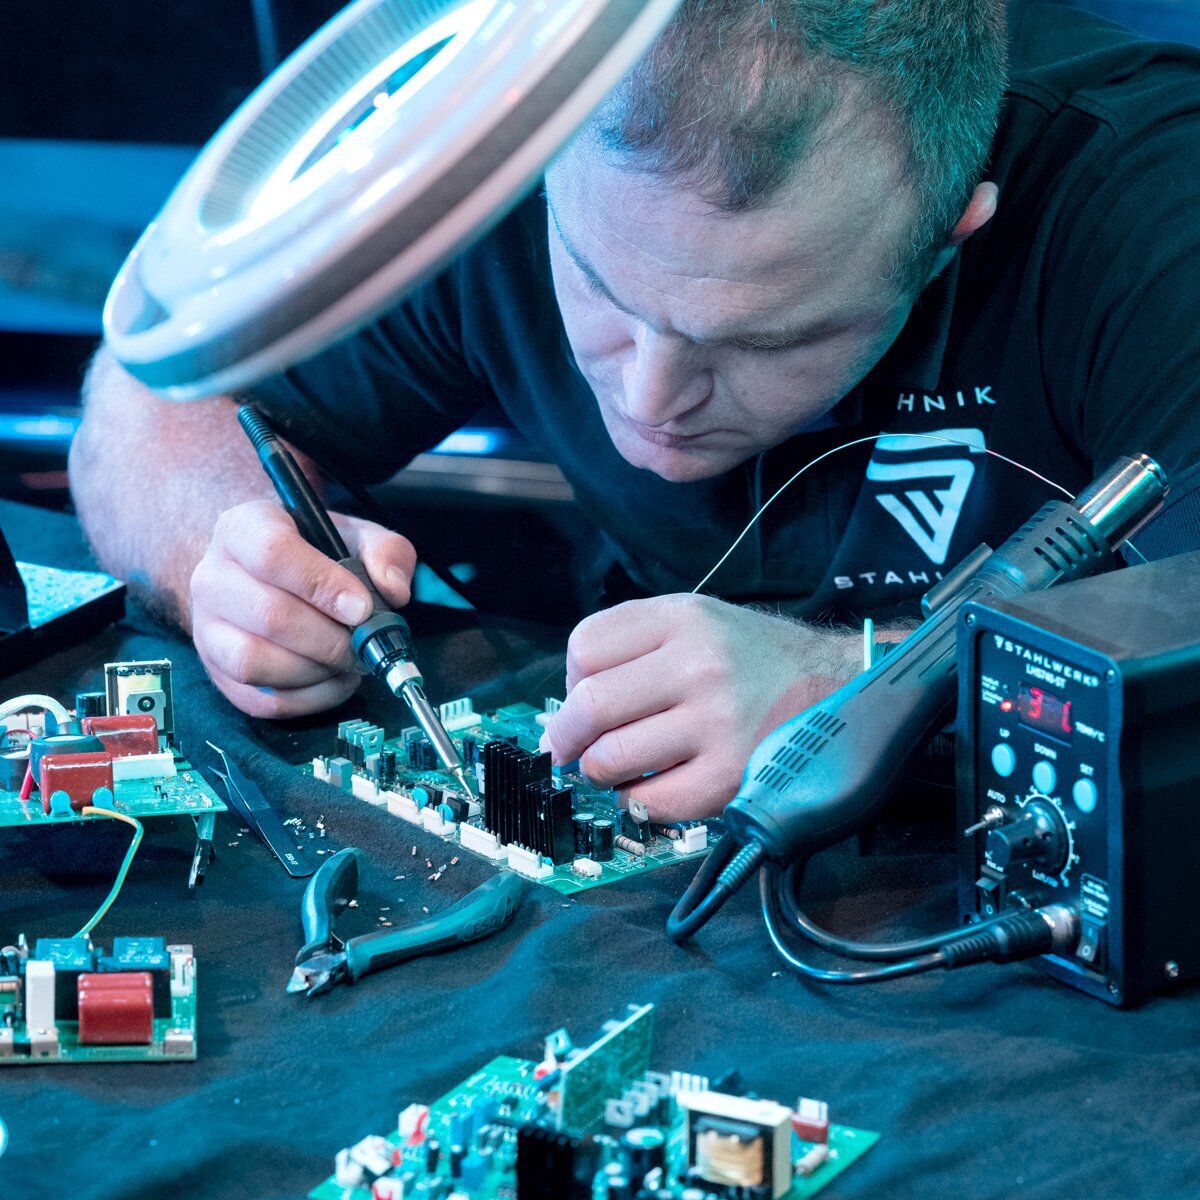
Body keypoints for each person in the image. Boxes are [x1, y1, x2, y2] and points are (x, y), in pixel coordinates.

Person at [70, 0, 1200, 821]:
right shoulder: (497, 154)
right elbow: (151, 400)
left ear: (953, 232)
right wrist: (226, 550)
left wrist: (852, 683)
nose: (651, 398)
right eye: (601, 292)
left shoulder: (1144, 204)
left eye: (766, 338)